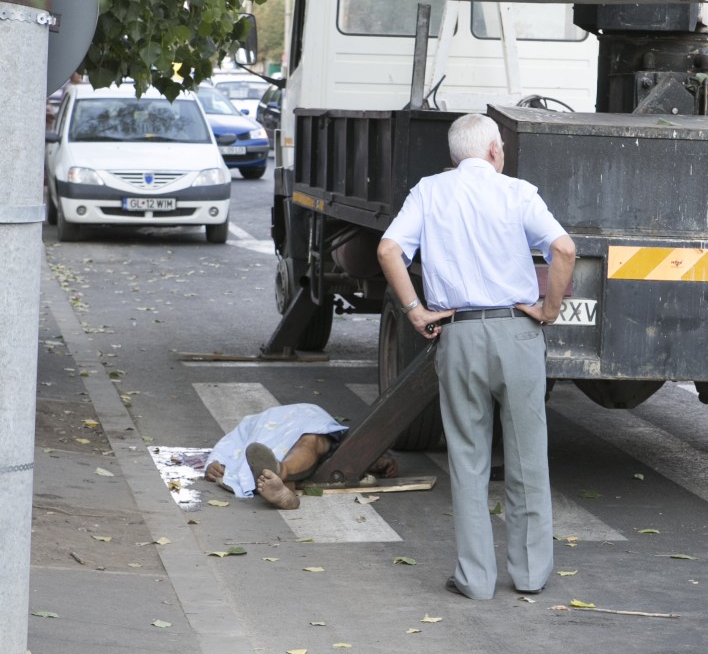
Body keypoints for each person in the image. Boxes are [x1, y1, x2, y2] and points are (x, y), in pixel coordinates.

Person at [377, 112, 576, 600]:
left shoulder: (429, 191)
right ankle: (530, 576)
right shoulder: (517, 193)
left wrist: (415, 311)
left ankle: (475, 579)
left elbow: (387, 250)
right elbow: (564, 249)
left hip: (458, 333)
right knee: (528, 457)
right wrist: (548, 310)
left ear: (454, 155)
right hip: (517, 333)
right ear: (493, 152)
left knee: (468, 458)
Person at [203, 404, 398, 510]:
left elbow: (230, 442)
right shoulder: (255, 422)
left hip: (306, 426)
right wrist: (215, 463)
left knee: (310, 441)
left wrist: (217, 460)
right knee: (310, 443)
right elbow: (234, 440)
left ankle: (282, 475)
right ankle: (284, 483)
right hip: (286, 438)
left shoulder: (306, 416)